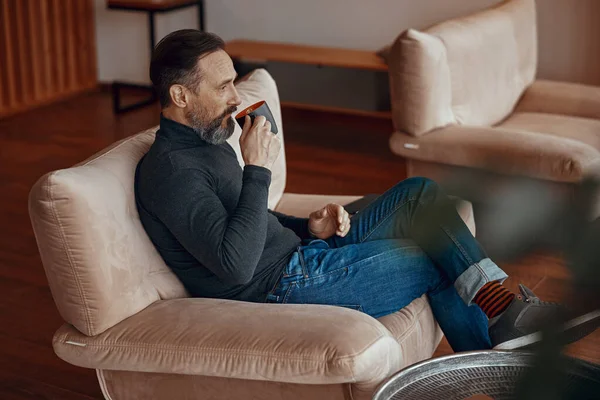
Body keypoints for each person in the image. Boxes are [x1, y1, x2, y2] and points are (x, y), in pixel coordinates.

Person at [134, 29, 597, 352]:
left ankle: (502, 311)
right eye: (224, 86)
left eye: (234, 81)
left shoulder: (206, 139)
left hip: (299, 255)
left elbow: (249, 221)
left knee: (420, 193)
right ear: (180, 96)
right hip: (280, 286)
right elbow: (235, 266)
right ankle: (501, 342)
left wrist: (308, 226)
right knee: (432, 254)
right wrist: (257, 168)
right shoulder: (171, 172)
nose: (236, 97)